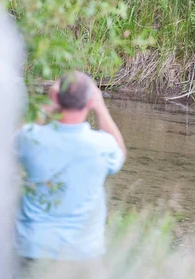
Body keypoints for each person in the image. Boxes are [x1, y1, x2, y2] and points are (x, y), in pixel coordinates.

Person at [15, 71, 126, 278]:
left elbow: (12, 139)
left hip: (33, 249)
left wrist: (47, 104)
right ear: (90, 101)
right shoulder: (101, 146)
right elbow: (120, 153)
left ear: (56, 98)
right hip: (82, 255)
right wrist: (101, 109)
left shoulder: (31, 139)